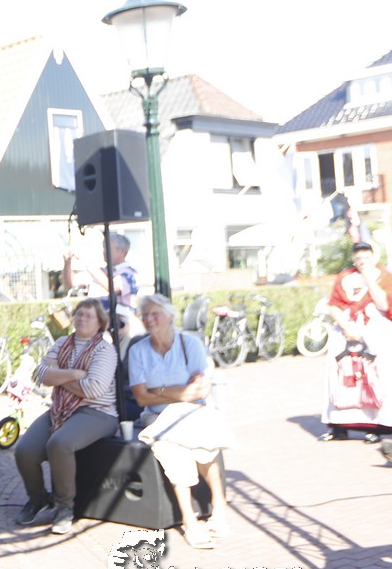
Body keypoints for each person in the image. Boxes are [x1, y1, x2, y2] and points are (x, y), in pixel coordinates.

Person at [128, 294, 233, 549]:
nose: (149, 319)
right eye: (145, 315)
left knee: (201, 443)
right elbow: (141, 398)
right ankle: (190, 520)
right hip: (158, 416)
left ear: (171, 316)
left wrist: (160, 391)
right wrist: (181, 392)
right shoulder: (137, 351)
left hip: (190, 412)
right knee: (172, 447)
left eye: (155, 314)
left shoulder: (190, 344)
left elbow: (201, 390)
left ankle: (218, 507)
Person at [13, 298, 118, 536]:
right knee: (25, 450)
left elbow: (93, 389)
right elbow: (40, 374)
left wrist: (58, 377)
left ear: (100, 322)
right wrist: (76, 374)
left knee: (59, 443)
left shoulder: (104, 350)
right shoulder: (62, 342)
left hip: (97, 412)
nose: (82, 319)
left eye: (88, 315)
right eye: (79, 314)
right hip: (60, 409)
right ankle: (38, 499)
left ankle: (64, 507)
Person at [321, 242, 392, 441]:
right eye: (358, 258)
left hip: (376, 329)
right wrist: (346, 327)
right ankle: (340, 426)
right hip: (347, 329)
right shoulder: (345, 278)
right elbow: (334, 305)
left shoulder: (384, 277)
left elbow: (384, 304)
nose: (362, 262)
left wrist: (369, 278)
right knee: (342, 376)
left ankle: (378, 426)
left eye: (366, 257)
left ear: (373, 257)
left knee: (380, 375)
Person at [61, 233, 139, 310]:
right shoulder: (101, 271)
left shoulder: (130, 274)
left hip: (117, 316)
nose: (104, 252)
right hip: (95, 315)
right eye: (104, 248)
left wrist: (87, 263)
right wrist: (67, 262)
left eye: (108, 248)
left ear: (122, 251)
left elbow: (113, 288)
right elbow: (70, 283)